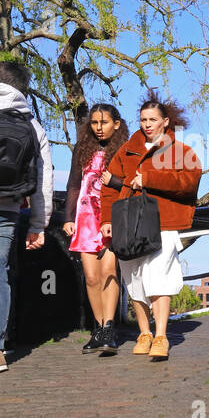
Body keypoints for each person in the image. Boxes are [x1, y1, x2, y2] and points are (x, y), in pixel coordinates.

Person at [98, 93, 202, 361]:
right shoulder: (127, 150)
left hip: (163, 223)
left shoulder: (181, 151)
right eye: (143, 119)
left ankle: (161, 336)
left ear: (165, 121)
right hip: (128, 224)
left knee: (158, 278)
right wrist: (107, 220)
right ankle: (144, 333)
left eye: (152, 119)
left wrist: (149, 178)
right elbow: (108, 187)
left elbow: (189, 183)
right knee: (134, 279)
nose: (147, 124)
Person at [0, 60, 54, 372]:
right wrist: (38, 225)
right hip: (7, 208)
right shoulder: (32, 125)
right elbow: (43, 179)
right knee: (0, 273)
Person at [64, 103, 129, 353]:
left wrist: (114, 180)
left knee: (108, 271)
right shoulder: (82, 148)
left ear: (116, 124)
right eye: (94, 123)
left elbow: (131, 184)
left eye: (104, 122)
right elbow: (73, 184)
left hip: (112, 218)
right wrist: (68, 217)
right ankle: (100, 329)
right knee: (91, 277)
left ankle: (109, 329)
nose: (99, 128)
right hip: (85, 218)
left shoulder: (124, 149)